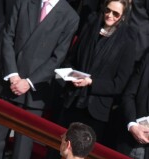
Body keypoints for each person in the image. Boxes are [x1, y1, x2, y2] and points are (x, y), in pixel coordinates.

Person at [0, 0, 80, 159]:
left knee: (22, 152)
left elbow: (58, 57)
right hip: (9, 84)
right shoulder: (23, 2)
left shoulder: (70, 16)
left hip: (35, 93)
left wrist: (28, 82)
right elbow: (8, 37)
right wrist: (13, 75)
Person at [58, 0, 136, 144]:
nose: (109, 15)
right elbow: (71, 58)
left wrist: (91, 82)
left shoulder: (127, 41)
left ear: (123, 16)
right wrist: (71, 75)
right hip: (72, 100)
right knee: (58, 149)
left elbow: (119, 83)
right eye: (107, 10)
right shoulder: (90, 26)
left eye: (115, 13)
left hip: (95, 111)